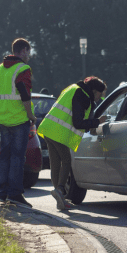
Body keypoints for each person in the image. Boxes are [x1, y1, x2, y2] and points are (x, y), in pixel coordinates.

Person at [37, 76, 107, 210]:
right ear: (94, 90)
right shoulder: (82, 95)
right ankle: (60, 190)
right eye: (100, 93)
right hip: (58, 132)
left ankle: (59, 197)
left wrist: (90, 124)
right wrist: (98, 121)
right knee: (66, 160)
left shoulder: (73, 88)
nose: (100, 97)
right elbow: (78, 122)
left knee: (55, 163)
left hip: (49, 128)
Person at [0, 38, 36, 207]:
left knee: (5, 157)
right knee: (17, 157)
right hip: (19, 119)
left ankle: (3, 193)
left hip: (3, 118)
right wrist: (31, 115)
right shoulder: (23, 69)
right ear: (23, 51)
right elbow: (24, 93)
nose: (29, 56)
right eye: (28, 52)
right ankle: (15, 194)